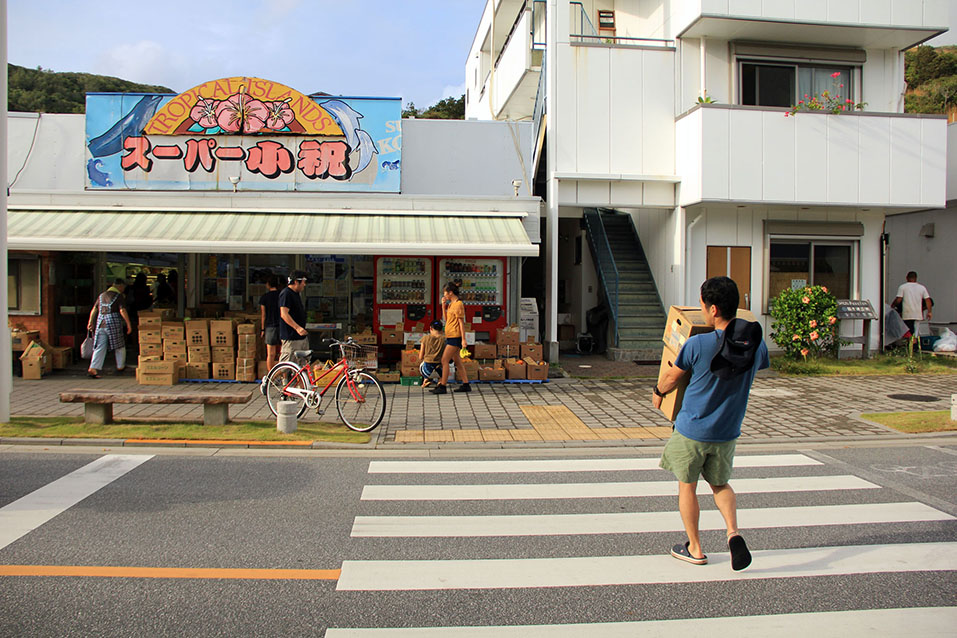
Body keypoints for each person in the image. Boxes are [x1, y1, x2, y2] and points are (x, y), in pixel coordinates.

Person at [653, 276, 769, 571]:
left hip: (693, 429)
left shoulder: (698, 344)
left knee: (687, 487)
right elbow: (761, 363)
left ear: (713, 309)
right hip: (727, 431)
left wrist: (657, 393)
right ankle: (733, 533)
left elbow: (670, 378)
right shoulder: (756, 347)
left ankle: (695, 548)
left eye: (704, 305)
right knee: (720, 484)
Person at [87, 278, 133, 378]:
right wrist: (128, 324)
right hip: (113, 322)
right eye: (123, 287)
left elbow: (94, 310)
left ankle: (93, 368)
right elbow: (122, 311)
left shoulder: (101, 295)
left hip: (100, 322)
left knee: (100, 346)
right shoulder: (118, 296)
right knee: (119, 345)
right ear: (120, 286)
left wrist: (90, 322)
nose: (123, 289)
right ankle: (120, 366)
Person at [430, 282, 471, 394]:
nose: (444, 295)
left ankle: (443, 385)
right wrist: (443, 306)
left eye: (445, 293)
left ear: (450, 292)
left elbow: (461, 322)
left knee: (444, 360)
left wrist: (463, 339)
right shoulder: (451, 304)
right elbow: (447, 319)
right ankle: (466, 384)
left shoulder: (458, 304)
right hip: (450, 335)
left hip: (455, 336)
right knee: (457, 361)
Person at [278, 271, 309, 364]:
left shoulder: (296, 294)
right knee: (286, 365)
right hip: (291, 337)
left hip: (301, 337)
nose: (304, 284)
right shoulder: (286, 293)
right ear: (296, 282)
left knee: (302, 365)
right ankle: (271, 378)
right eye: (303, 281)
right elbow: (284, 314)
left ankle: (296, 379)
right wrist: (297, 328)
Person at [893, 271, 932, 338]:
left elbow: (898, 299)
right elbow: (928, 300)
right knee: (915, 332)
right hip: (917, 314)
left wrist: (892, 306)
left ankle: (909, 345)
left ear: (907, 278)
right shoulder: (922, 288)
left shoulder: (902, 287)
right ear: (916, 278)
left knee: (908, 331)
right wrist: (929, 312)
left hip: (907, 314)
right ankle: (915, 345)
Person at [259, 275, 282, 370]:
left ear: (268, 285)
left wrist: (262, 329)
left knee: (271, 354)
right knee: (282, 353)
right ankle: (284, 376)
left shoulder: (264, 297)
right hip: (281, 326)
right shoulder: (281, 295)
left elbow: (263, 315)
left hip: (269, 327)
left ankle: (270, 376)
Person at [418, 320, 446, 388]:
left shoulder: (425, 338)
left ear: (431, 328)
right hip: (440, 368)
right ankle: (440, 381)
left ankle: (426, 379)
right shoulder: (445, 339)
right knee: (444, 369)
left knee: (424, 365)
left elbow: (420, 356)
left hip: (426, 369)